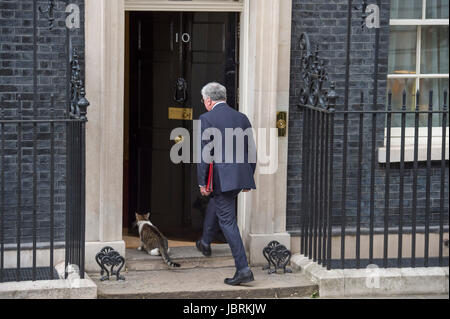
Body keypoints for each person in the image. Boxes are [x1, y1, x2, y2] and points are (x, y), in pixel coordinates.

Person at [196, 82, 257, 286]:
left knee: (228, 222)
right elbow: (251, 151)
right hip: (238, 178)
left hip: (221, 179)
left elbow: (205, 154)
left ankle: (243, 269)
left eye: (204, 100)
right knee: (221, 204)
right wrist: (248, 177)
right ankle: (205, 241)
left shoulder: (207, 118)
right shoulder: (242, 118)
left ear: (209, 100)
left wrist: (202, 182)